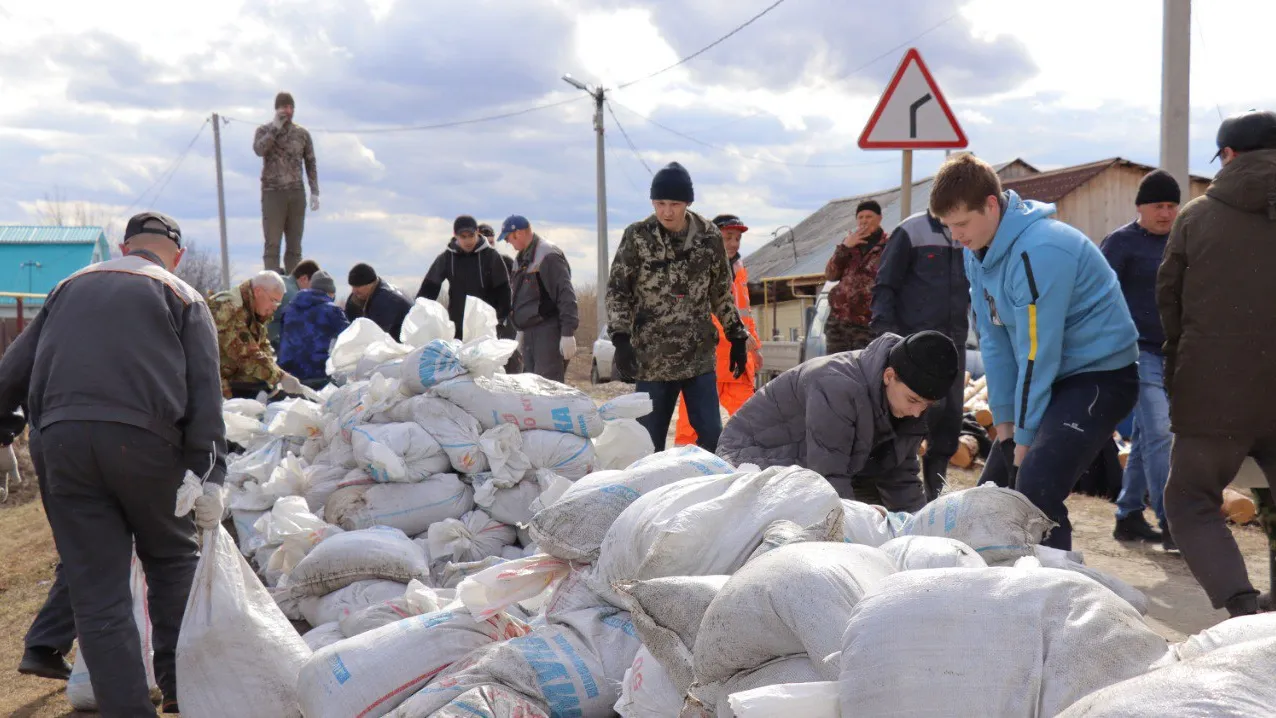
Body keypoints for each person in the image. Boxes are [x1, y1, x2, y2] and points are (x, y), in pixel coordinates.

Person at [0, 212, 227, 715]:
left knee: (95, 585)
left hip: (61, 445)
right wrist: (209, 475)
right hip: (147, 446)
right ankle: (179, 690)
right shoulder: (182, 295)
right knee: (170, 560)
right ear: (179, 256)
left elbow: (12, 368)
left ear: (123, 248)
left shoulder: (66, 288)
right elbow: (205, 398)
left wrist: (3, 430)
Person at [931, 153, 1139, 551]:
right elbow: (995, 341)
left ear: (991, 206)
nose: (955, 235)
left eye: (961, 223)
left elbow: (1035, 351)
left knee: (1035, 486)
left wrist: (1024, 439)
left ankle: (1054, 598)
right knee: (991, 493)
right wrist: (1005, 425)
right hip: (1051, 372)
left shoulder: (1041, 250)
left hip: (1099, 377)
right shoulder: (977, 251)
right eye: (948, 226)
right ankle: (998, 588)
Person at [1159, 110, 1276, 617]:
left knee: (1190, 499)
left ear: (1227, 156)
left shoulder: (1196, 216)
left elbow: (1171, 306)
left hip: (1215, 392)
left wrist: (1177, 380)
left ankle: (1242, 609)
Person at [717, 332, 959, 510]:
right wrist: (857, 516)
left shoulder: (907, 402)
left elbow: (900, 475)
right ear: (889, 376)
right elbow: (827, 474)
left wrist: (918, 529)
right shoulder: (836, 386)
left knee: (884, 525)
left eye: (925, 406)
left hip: (823, 463)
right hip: (752, 455)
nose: (917, 413)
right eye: (913, 400)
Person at [606, 162, 748, 452]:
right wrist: (620, 339)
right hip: (653, 359)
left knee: (711, 437)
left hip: (697, 356)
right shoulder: (637, 236)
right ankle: (650, 495)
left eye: (675, 204)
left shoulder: (709, 237)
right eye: (660, 203)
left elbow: (721, 291)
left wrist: (737, 336)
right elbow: (618, 290)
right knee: (647, 443)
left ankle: (706, 493)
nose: (667, 212)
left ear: (687, 203)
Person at [1101, 169, 1181, 550]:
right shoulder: (1120, 244)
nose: (1165, 213)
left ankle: (1129, 515)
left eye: (1171, 205)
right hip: (1136, 352)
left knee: (1151, 434)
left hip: (1175, 353)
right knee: (1162, 432)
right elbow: (1097, 298)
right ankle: (1173, 524)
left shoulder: (1184, 241)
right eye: (1158, 206)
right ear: (1140, 207)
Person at [871, 206, 970, 502]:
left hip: (955, 344)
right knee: (909, 417)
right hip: (914, 345)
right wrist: (885, 338)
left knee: (949, 419)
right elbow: (885, 284)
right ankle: (891, 494)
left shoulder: (967, 231)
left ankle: (934, 494)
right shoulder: (911, 231)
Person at [674, 214, 761, 446]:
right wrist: (741, 337)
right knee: (691, 426)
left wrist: (755, 348)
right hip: (704, 361)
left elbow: (745, 312)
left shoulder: (739, 270)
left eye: (738, 238)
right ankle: (682, 469)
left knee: (752, 423)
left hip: (736, 362)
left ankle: (749, 463)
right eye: (728, 237)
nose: (734, 243)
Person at [497, 215, 579, 382]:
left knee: (547, 386)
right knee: (532, 387)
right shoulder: (520, 260)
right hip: (529, 333)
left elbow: (565, 294)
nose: (508, 243)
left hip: (547, 332)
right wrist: (519, 329)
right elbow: (520, 297)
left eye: (508, 238)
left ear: (518, 233)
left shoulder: (547, 255)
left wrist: (567, 333)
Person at [210, 270, 306, 399]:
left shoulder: (255, 310)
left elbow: (263, 347)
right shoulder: (228, 308)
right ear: (258, 291)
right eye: (274, 300)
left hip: (229, 378)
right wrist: (280, 377)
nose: (275, 307)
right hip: (209, 382)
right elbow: (246, 354)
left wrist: (277, 375)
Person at [253, 91, 320, 274]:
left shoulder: (302, 134)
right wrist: (275, 127)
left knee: (294, 246)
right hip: (272, 193)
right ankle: (272, 283)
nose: (288, 111)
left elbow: (310, 162)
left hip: (296, 193)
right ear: (277, 109)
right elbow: (259, 150)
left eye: (290, 107)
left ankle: (293, 285)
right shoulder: (264, 131)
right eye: (284, 107)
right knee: (272, 244)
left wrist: (314, 191)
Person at [417, 215, 512, 338]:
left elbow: (504, 290)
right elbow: (429, 288)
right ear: (455, 235)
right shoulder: (447, 258)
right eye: (463, 237)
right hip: (457, 324)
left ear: (477, 233)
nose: (468, 241)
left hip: (486, 326)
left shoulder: (491, 256)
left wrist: (501, 319)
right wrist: (419, 312)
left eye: (471, 236)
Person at [825, 200, 889, 353]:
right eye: (860, 217)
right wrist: (845, 247)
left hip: (868, 323)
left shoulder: (889, 245)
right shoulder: (848, 245)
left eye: (869, 216)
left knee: (863, 369)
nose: (864, 221)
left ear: (879, 218)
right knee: (835, 368)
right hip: (839, 321)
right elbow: (830, 275)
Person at [278, 270, 349, 389]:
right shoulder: (332, 311)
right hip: (319, 374)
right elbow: (351, 337)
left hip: (288, 376)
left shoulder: (289, 309)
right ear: (330, 292)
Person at [482, 222, 523, 372]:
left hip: (506, 322)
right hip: (481, 323)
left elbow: (519, 288)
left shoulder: (506, 262)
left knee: (509, 359)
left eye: (490, 242)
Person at [345, 262, 412, 339]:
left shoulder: (386, 300)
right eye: (352, 287)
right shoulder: (377, 292)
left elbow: (376, 338)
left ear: (370, 284)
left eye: (358, 286)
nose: (354, 291)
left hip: (406, 344)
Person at [268, 258, 321, 350]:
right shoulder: (294, 297)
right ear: (304, 278)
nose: (312, 291)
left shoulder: (282, 281)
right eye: (312, 286)